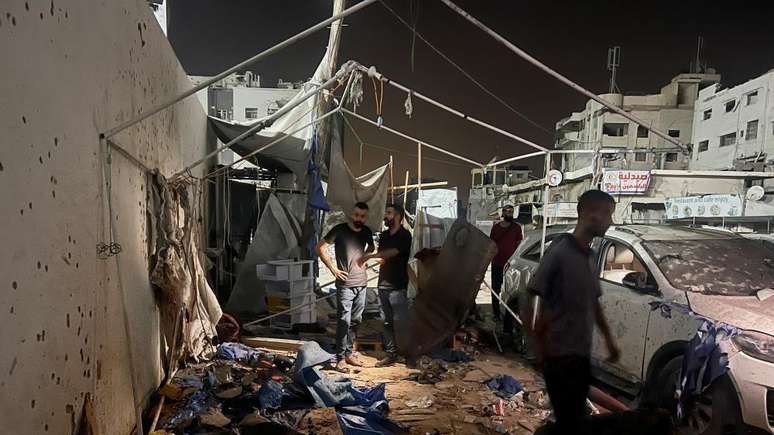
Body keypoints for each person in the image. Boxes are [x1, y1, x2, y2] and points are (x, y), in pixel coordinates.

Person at [524, 190, 621, 435]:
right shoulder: (560, 252)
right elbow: (532, 295)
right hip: (558, 356)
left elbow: (594, 301)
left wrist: (609, 341)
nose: (610, 221)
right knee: (571, 421)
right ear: (588, 214)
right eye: (607, 213)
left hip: (579, 354)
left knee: (573, 419)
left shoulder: (590, 256)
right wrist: (537, 346)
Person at [316, 202, 375, 372]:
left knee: (356, 320)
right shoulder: (339, 229)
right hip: (345, 284)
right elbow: (319, 247)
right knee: (344, 320)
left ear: (366, 217)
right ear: (351, 213)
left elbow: (371, 247)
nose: (359, 219)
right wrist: (333, 268)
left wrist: (365, 258)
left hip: (362, 282)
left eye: (363, 216)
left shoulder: (366, 232)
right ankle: (340, 357)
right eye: (356, 215)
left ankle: (349, 353)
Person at [359, 204, 412, 367]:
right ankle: (391, 354)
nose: (385, 216)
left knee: (401, 322)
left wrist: (370, 256)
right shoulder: (383, 236)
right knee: (386, 322)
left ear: (398, 216)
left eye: (388, 213)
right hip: (383, 284)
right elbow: (384, 257)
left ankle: (408, 354)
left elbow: (393, 253)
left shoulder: (405, 235)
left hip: (398, 286)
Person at [489, 205, 523, 322]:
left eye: (511, 212)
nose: (509, 214)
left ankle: (509, 316)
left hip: (511, 265)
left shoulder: (517, 228)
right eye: (507, 211)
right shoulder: (496, 228)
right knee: (495, 289)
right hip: (497, 263)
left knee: (511, 290)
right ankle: (496, 314)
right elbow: (491, 244)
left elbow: (519, 244)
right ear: (503, 213)